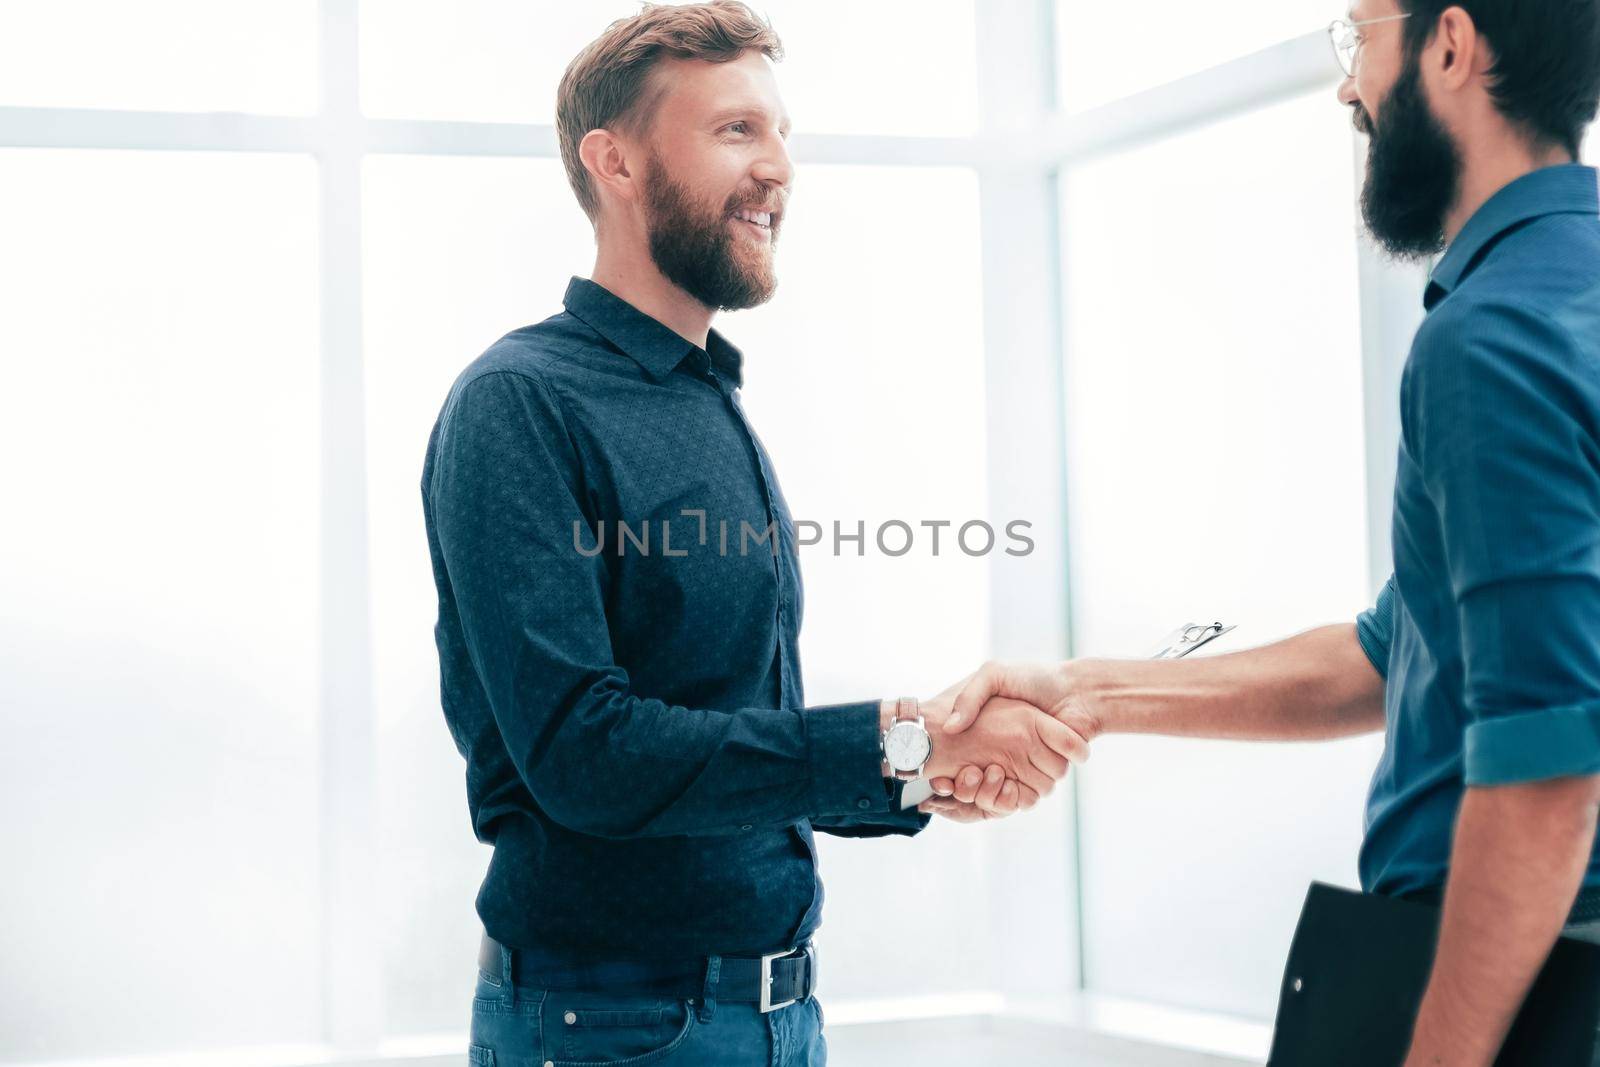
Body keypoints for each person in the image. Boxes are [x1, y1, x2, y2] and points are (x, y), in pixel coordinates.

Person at [419, 4, 1084, 1064]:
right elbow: (587, 754)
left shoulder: (708, 397)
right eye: (736, 131)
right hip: (617, 1027)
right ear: (615, 161)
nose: (779, 167)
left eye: (780, 133)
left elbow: (729, 735)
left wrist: (924, 772)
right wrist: (899, 738)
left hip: (775, 1013)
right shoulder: (518, 403)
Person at [941, 1, 1600, 1061]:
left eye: (1360, 40)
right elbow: (1394, 650)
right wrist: (1091, 692)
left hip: (1534, 987)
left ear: (1449, 43)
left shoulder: (1492, 338)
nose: (1348, 88)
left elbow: (1545, 773)